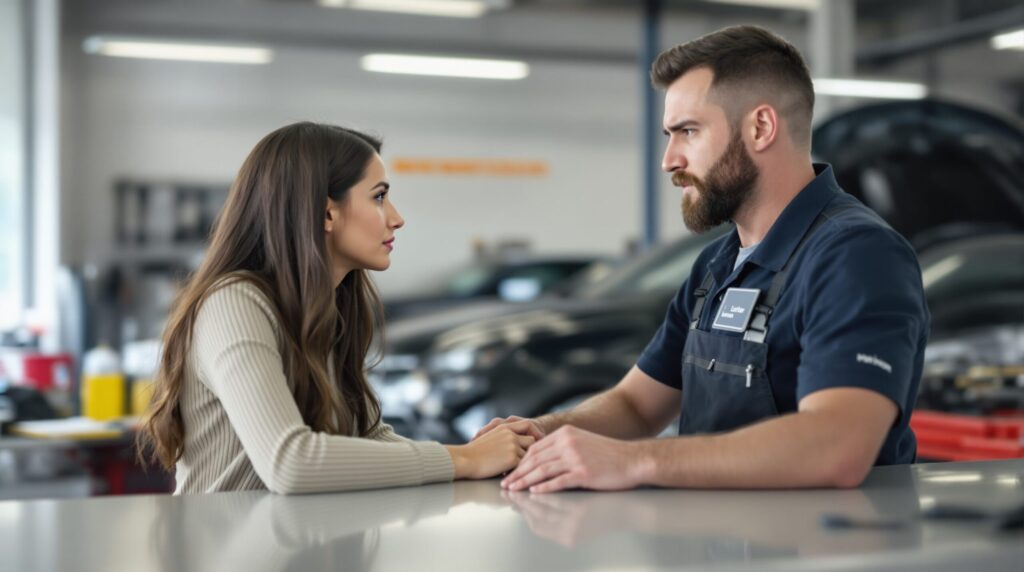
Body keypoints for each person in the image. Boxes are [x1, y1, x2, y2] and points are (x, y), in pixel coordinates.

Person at [479, 25, 929, 493]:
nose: (668, 159)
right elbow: (637, 405)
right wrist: (540, 435)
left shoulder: (856, 255)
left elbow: (836, 447)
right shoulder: (717, 264)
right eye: (669, 135)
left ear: (761, 127)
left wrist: (634, 462)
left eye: (688, 131)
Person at [138, 122, 534, 494]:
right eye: (379, 196)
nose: (397, 218)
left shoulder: (326, 306)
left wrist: (485, 455)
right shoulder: (234, 302)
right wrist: (463, 458)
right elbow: (291, 462)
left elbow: (369, 438)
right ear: (327, 212)